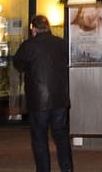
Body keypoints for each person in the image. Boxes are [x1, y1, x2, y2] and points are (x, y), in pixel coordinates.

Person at [12, 15, 73, 172]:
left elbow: (17, 63)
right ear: (48, 27)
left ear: (34, 29)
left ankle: (43, 170)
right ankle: (67, 169)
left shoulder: (28, 45)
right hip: (60, 99)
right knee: (61, 136)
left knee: (39, 138)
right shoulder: (61, 43)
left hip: (38, 101)